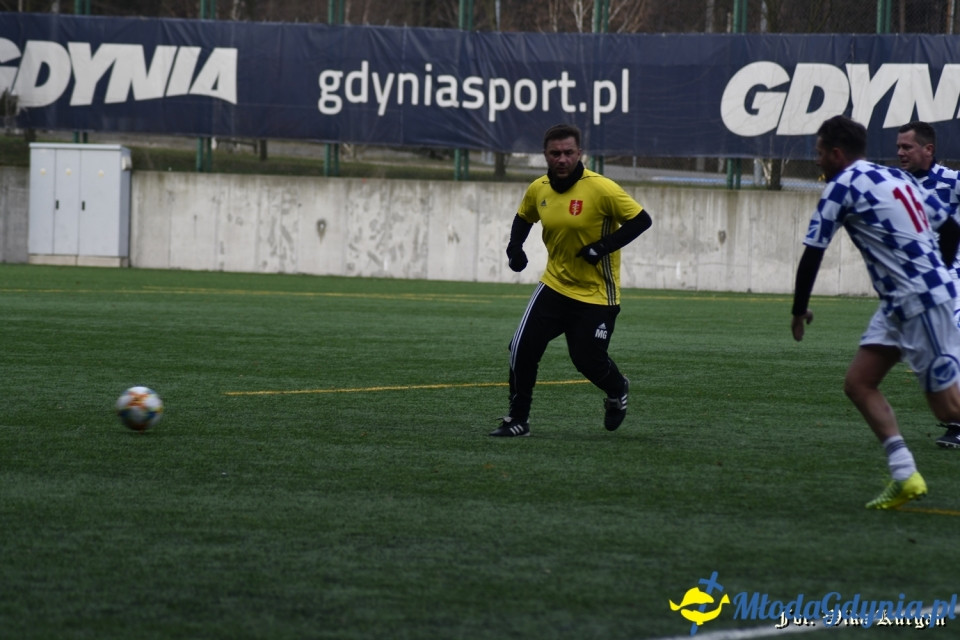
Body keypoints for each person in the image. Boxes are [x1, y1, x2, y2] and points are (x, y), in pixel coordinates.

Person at [791, 114, 960, 509]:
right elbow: (951, 229)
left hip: (919, 300)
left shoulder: (841, 186)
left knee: (948, 407)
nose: (817, 161)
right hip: (902, 303)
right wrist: (939, 271)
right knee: (859, 383)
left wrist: (798, 311)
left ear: (836, 154)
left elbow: (814, 252)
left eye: (819, 153)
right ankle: (905, 476)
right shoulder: (897, 178)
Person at [489, 123, 653, 437]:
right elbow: (524, 217)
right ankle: (517, 420)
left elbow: (641, 220)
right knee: (521, 348)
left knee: (587, 360)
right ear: (545, 155)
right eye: (555, 154)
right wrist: (514, 248)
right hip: (554, 286)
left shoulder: (602, 189)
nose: (562, 159)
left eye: (568, 153)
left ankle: (617, 389)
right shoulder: (539, 189)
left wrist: (602, 247)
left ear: (580, 154)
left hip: (596, 295)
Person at [896, 120, 960, 448]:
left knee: (952, 341)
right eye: (898, 147)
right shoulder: (899, 186)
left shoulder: (951, 180)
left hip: (953, 278)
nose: (900, 153)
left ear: (928, 149)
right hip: (920, 282)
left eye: (907, 147)